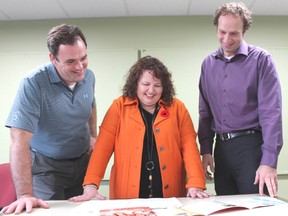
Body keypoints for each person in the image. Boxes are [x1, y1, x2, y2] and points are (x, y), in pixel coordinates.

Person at [69, 56, 210, 201]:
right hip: (126, 195)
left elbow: (190, 148)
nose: (151, 90)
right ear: (136, 83)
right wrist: (91, 184)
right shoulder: (118, 107)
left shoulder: (178, 108)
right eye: (146, 84)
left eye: (157, 85)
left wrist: (196, 183)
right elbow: (101, 150)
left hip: (171, 193)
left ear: (164, 87)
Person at [1, 24, 97, 214]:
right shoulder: (33, 83)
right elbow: (18, 140)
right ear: (53, 58)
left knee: (86, 211)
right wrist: (25, 195)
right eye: (70, 61)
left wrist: (93, 135)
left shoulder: (89, 76)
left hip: (82, 163)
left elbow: (91, 105)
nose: (79, 67)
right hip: (47, 167)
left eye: (83, 58)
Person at [198, 2, 283, 197]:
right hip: (221, 149)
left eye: (234, 33)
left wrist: (269, 162)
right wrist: (206, 150)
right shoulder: (208, 64)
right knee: (225, 207)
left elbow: (271, 113)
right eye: (222, 32)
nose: (226, 39)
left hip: (252, 148)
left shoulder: (261, 60)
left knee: (258, 207)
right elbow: (205, 112)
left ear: (244, 31)